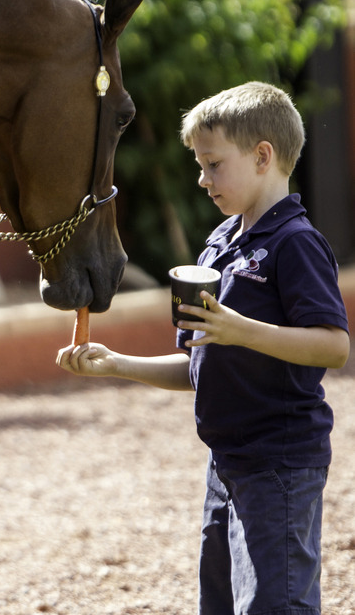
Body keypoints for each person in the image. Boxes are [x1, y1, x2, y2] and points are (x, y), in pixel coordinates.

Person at [56, 81, 350, 614]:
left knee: (274, 605)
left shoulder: (296, 242)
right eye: (200, 164)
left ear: (263, 156)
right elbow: (198, 363)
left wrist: (242, 330)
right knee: (218, 603)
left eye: (213, 164)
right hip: (224, 463)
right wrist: (116, 364)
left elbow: (333, 347)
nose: (202, 178)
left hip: (279, 462)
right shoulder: (219, 243)